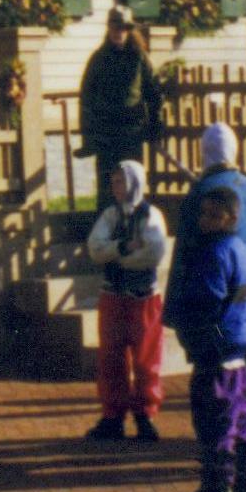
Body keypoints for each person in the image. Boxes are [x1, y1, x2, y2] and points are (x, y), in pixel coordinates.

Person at [168, 182, 246, 492]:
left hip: (215, 348)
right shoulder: (240, 248)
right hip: (238, 348)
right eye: (204, 214)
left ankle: (217, 487)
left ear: (230, 217)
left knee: (215, 422)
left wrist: (190, 331)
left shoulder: (214, 253)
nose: (205, 220)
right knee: (242, 420)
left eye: (214, 215)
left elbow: (205, 302)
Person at [188, 122, 246, 437]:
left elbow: (188, 246)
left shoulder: (203, 192)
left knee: (222, 373)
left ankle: (228, 433)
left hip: (222, 289)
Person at [82, 157, 171, 442]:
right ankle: (113, 416)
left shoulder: (151, 216)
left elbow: (153, 252)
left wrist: (116, 257)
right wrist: (122, 247)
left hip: (144, 298)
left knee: (146, 358)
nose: (116, 186)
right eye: (114, 181)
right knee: (111, 356)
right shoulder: (110, 216)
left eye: (121, 181)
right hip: (113, 295)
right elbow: (95, 248)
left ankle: (145, 415)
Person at [77, 8, 166, 203]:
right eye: (116, 28)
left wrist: (155, 123)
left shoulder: (139, 58)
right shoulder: (99, 59)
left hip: (131, 133)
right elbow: (86, 99)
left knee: (132, 182)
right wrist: (88, 137)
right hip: (106, 134)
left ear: (130, 30)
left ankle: (134, 226)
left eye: (124, 28)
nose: (119, 32)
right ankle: (108, 229)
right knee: (108, 187)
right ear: (109, 29)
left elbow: (154, 92)